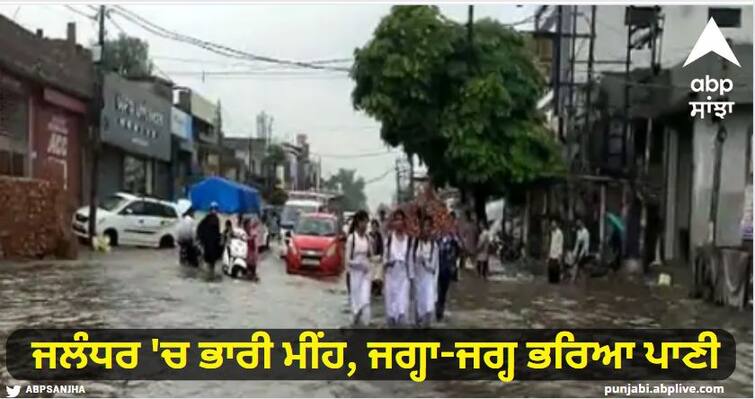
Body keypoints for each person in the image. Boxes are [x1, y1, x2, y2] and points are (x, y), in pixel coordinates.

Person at [382, 209, 412, 327]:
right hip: (391, 275)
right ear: (393, 222)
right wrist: (388, 263)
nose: (399, 222)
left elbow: (410, 260)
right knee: (391, 309)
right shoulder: (389, 239)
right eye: (396, 220)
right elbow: (384, 258)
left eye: (401, 219)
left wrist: (412, 279)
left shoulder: (409, 240)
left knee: (402, 307)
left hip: (403, 276)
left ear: (404, 222)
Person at [345, 210, 373, 326]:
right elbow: (347, 260)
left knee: (365, 302)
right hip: (355, 275)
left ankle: (366, 329)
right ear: (358, 222)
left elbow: (371, 256)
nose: (366, 225)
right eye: (364, 222)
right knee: (356, 305)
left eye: (367, 223)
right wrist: (358, 264)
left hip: (366, 275)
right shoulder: (352, 239)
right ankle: (355, 327)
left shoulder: (368, 239)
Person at [411, 214, 439, 328]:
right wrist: (411, 279)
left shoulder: (434, 246)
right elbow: (411, 262)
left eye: (429, 226)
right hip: (418, 279)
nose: (427, 229)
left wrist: (425, 262)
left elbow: (435, 266)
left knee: (429, 307)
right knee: (418, 307)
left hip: (429, 280)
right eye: (424, 226)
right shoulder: (416, 243)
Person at [436, 212, 461, 321]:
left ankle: (440, 310)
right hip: (437, 266)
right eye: (447, 221)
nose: (448, 224)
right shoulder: (438, 237)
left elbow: (460, 248)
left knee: (444, 291)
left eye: (451, 221)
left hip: (448, 268)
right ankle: (437, 309)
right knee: (437, 290)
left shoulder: (453, 238)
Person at [197, 202, 223, 270]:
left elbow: (200, 229)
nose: (214, 211)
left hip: (210, 244)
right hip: (209, 245)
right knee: (210, 262)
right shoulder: (211, 219)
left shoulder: (209, 219)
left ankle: (209, 275)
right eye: (213, 209)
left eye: (215, 209)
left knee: (210, 262)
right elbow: (200, 230)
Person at [369, 219, 385, 296]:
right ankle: (372, 290)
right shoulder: (368, 235)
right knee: (371, 277)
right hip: (371, 259)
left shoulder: (379, 236)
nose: (374, 227)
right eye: (373, 226)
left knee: (378, 277)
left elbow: (382, 247)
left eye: (375, 226)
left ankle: (378, 291)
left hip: (378, 258)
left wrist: (381, 256)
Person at [548, 218, 564, 284]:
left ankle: (556, 281)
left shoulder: (559, 233)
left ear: (556, 225)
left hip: (557, 254)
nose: (552, 225)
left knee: (556, 269)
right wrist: (549, 254)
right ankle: (551, 281)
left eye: (554, 224)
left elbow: (560, 244)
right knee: (550, 268)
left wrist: (560, 254)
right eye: (552, 224)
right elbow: (551, 243)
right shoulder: (552, 232)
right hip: (551, 253)